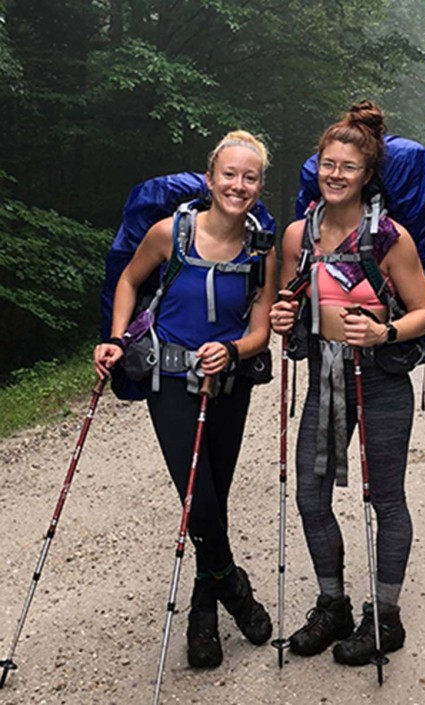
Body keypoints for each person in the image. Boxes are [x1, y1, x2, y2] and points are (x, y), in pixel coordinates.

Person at [94, 130, 276, 669]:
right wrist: (118, 336)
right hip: (169, 381)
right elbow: (128, 281)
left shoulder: (261, 249)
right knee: (198, 498)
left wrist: (233, 348)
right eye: (229, 174)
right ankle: (233, 591)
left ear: (260, 185)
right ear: (210, 176)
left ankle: (203, 610)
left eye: (249, 177)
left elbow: (261, 332)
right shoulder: (169, 233)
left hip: (228, 384)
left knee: (212, 499)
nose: (237, 185)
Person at [270, 101, 425, 666]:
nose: (335, 174)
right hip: (326, 378)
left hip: (383, 379)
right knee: (311, 495)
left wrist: (384, 332)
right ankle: (333, 604)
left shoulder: (389, 238)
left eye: (348, 166)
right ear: (316, 165)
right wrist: (283, 320)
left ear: (368, 175)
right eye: (327, 163)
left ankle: (385, 618)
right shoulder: (298, 235)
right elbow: (286, 306)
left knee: (386, 500)